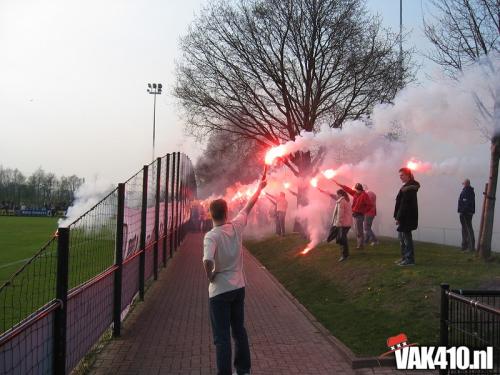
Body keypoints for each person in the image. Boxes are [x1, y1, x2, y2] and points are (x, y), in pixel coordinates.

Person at [202, 167, 267, 375]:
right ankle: (244, 370)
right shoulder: (236, 226)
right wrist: (260, 187)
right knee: (239, 331)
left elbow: (207, 260)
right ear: (227, 212)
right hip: (239, 287)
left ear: (211, 214)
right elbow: (249, 205)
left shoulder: (211, 236)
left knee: (221, 338)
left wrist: (210, 276)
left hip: (219, 292)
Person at [333, 180, 373, 249]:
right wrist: (340, 185)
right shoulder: (356, 193)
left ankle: (360, 245)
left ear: (359, 189)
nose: (355, 190)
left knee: (359, 231)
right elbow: (348, 189)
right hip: (355, 214)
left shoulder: (364, 195)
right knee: (357, 230)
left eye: (357, 189)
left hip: (359, 215)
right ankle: (360, 244)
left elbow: (369, 205)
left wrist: (363, 211)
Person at [394, 168, 420, 266]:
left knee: (406, 238)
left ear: (408, 176)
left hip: (407, 217)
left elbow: (404, 205)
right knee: (402, 238)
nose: (400, 177)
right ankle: (404, 258)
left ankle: (409, 260)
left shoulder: (409, 189)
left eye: (402, 175)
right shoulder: (407, 187)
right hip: (404, 216)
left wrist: (398, 217)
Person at [331, 189, 353, 262]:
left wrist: (338, 223)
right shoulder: (346, 200)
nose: (337, 195)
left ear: (340, 194)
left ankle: (344, 255)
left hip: (343, 223)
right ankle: (345, 254)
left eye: (337, 194)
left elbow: (340, 214)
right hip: (347, 223)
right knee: (343, 239)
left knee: (341, 239)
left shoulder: (341, 201)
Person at [458, 178, 475, 252]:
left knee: (468, 229)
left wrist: (462, 211)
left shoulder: (467, 191)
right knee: (465, 229)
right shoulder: (467, 191)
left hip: (466, 213)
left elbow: (467, 203)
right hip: (465, 212)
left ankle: (470, 247)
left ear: (467, 184)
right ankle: (464, 246)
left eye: (464, 184)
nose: (463, 185)